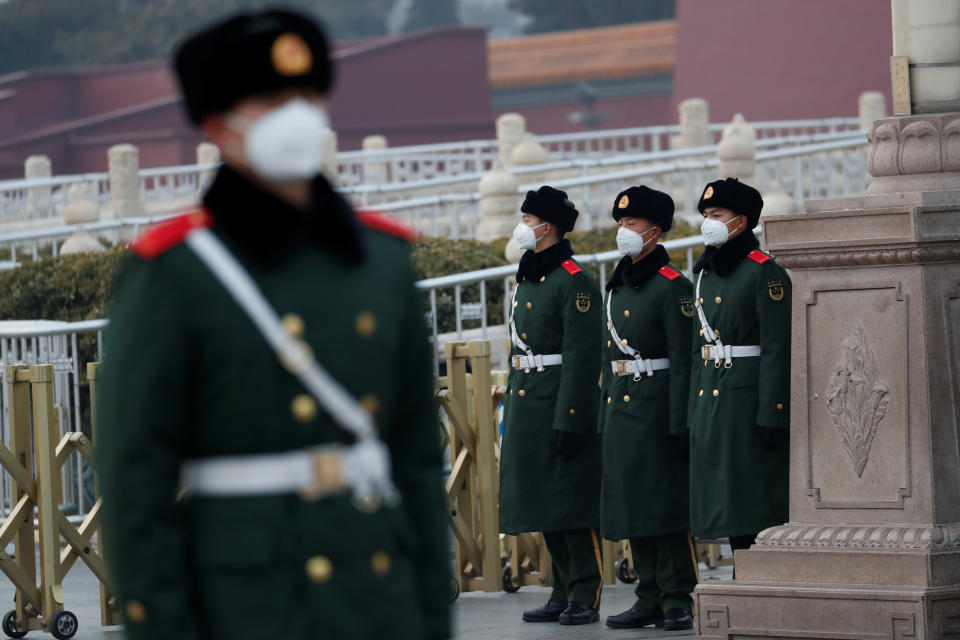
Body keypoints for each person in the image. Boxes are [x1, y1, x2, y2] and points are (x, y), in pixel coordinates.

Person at [96, 9, 450, 640]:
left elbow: (417, 460)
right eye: (269, 100)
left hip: (375, 594)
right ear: (217, 125)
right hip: (245, 604)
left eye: (306, 96)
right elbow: (136, 482)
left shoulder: (380, 261)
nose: (296, 115)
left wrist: (429, 612)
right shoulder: (175, 273)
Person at [499, 186, 604, 626]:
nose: (523, 227)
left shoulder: (573, 280)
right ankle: (561, 589)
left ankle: (586, 589)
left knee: (571, 503)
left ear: (548, 227)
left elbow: (582, 356)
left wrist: (572, 416)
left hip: (559, 402)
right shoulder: (528, 276)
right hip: (529, 400)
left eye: (528, 220)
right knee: (544, 500)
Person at [598, 186, 698, 630]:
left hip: (658, 407)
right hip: (623, 407)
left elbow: (684, 360)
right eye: (620, 223)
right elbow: (609, 357)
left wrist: (680, 421)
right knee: (635, 502)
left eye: (632, 224)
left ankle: (678, 595)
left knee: (665, 504)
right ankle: (649, 595)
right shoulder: (617, 286)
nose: (624, 231)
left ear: (655, 231)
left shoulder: (674, 287)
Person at [687, 177, 791, 565]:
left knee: (753, 497)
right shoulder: (706, 273)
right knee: (726, 497)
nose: (708, 222)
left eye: (717, 215)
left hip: (748, 401)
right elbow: (697, 352)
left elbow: (778, 347)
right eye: (706, 215)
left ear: (742, 221)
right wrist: (691, 415)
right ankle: (741, 578)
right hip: (714, 398)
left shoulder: (763, 272)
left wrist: (773, 412)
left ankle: (759, 578)